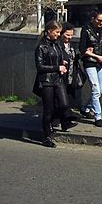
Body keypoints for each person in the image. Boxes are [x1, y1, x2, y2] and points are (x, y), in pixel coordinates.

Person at [35, 20, 74, 148]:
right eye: (56, 32)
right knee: (48, 109)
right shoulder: (41, 46)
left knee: (64, 103)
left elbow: (59, 56)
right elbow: (40, 67)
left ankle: (54, 122)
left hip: (58, 79)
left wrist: (62, 62)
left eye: (59, 32)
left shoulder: (56, 44)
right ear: (49, 31)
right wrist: (57, 67)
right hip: (46, 80)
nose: (58, 35)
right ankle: (46, 136)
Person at [61, 21, 86, 119]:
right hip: (62, 76)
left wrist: (82, 55)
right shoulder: (58, 44)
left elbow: (73, 57)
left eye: (71, 35)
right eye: (67, 35)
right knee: (61, 99)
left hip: (71, 75)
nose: (69, 37)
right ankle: (62, 118)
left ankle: (66, 117)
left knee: (69, 96)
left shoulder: (70, 45)